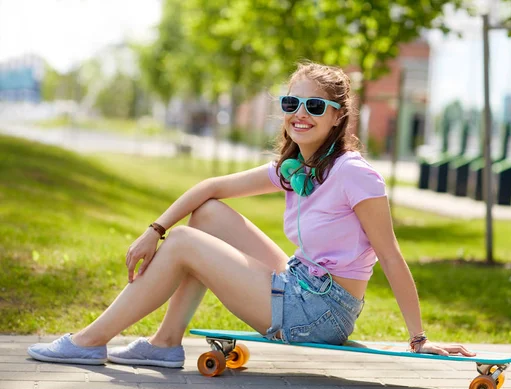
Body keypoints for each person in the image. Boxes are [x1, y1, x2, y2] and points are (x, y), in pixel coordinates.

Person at [28, 61, 475, 368]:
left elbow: (392, 257)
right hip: (300, 281)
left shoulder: (355, 175)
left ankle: (89, 341)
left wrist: (418, 339)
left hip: (320, 312)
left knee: (185, 245)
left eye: (315, 106)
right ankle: (165, 343)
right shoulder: (297, 167)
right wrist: (155, 229)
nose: (300, 115)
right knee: (205, 214)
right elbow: (210, 188)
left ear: (339, 118)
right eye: (291, 104)